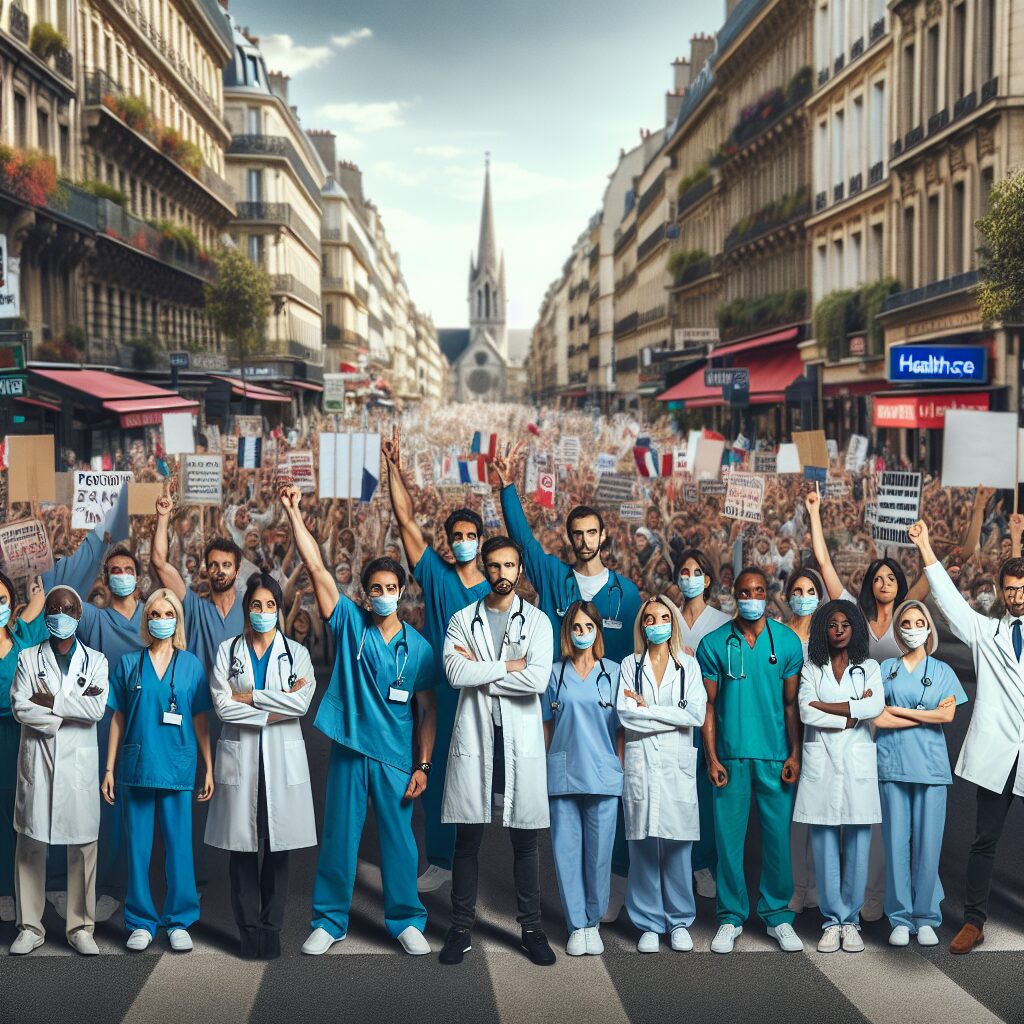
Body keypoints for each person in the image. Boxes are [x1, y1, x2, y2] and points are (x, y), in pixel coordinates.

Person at [281, 486, 436, 957]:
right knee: (339, 839)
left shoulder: (419, 648)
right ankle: (329, 920)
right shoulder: (350, 623)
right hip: (351, 747)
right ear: (365, 596)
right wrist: (293, 512)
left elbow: (428, 711)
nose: (385, 596)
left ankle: (406, 920)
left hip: (395, 757)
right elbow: (317, 568)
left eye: (392, 589)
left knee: (400, 844)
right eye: (377, 590)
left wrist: (423, 765)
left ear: (402, 593)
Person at [494, 442, 641, 917]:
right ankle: (581, 909)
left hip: (610, 713)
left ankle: (612, 887)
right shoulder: (554, 577)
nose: (584, 540)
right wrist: (507, 487)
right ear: (570, 538)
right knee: (567, 818)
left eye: (591, 532)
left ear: (603, 536)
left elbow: (637, 654)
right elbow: (522, 542)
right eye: (576, 533)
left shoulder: (627, 592)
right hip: (563, 708)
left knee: (611, 810)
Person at [382, 426, 491, 893]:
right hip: (438, 692)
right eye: (457, 535)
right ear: (448, 541)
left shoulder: (494, 590)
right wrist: (393, 467)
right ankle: (440, 860)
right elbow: (405, 520)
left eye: (471, 535)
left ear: (481, 540)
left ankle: (466, 862)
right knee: (433, 771)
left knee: (474, 779)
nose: (463, 541)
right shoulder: (436, 574)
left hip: (479, 694)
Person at [439, 535, 556, 967]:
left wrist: (481, 672)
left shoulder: (538, 622)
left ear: (519, 570)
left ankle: (532, 929)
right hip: (476, 738)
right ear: (484, 569)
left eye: (509, 566)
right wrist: (509, 667)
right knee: (467, 838)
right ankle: (460, 928)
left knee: (525, 840)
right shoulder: (462, 619)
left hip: (518, 743)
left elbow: (537, 680)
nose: (502, 573)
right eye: (494, 566)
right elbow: (454, 673)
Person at [908, 519, 1023, 955]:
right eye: (1010, 589)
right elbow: (950, 601)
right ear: (1001, 592)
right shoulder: (984, 632)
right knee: (984, 841)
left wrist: (1016, 539)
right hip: (997, 753)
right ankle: (975, 921)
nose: (1017, 596)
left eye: (1023, 588)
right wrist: (925, 546)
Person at [205, 573, 317, 959]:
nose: (263, 611)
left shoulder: (296, 653)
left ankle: (270, 929)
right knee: (242, 850)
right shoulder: (228, 651)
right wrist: (275, 703)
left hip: (280, 764)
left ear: (279, 609)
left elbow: (301, 704)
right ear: (246, 608)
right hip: (243, 762)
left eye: (271, 605)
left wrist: (250, 696)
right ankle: (248, 930)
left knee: (278, 849)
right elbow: (223, 707)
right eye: (257, 604)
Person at [696, 566, 805, 954]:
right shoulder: (713, 644)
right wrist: (712, 758)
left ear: (767, 593)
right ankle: (730, 917)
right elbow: (708, 706)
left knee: (778, 843)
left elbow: (791, 705)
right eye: (745, 592)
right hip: (730, 756)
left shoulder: (787, 642)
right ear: (734, 594)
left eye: (759, 591)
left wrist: (794, 753)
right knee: (728, 843)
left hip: (775, 756)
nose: (752, 598)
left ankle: (778, 916)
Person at [103, 588, 213, 952]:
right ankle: (140, 921)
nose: (161, 620)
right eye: (154, 614)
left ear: (177, 620)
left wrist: (209, 767)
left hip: (178, 765)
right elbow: (118, 716)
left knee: (180, 847)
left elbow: (200, 719)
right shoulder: (129, 664)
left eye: (168, 614)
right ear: (146, 620)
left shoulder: (191, 665)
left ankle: (179, 920)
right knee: (137, 849)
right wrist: (109, 768)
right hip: (137, 765)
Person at [9, 585, 108, 956]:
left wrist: (49, 701)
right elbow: (20, 706)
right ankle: (30, 927)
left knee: (83, 846)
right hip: (38, 761)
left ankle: (81, 927)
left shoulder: (96, 661)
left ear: (78, 615)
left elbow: (96, 709)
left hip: (78, 767)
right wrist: (68, 710)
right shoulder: (27, 658)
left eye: (67, 609)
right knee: (30, 844)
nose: (59, 615)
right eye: (53, 608)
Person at [793, 600, 885, 953]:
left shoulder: (869, 667)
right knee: (824, 843)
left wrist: (826, 706)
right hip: (823, 764)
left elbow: (874, 707)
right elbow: (806, 713)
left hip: (857, 763)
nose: (839, 630)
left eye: (846, 624)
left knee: (859, 843)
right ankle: (832, 921)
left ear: (855, 629)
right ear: (823, 630)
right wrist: (850, 713)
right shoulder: (811, 668)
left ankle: (851, 920)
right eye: (832, 624)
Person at [617, 596, 706, 954]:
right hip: (641, 765)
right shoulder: (630, 664)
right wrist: (669, 715)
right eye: (650, 619)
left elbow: (695, 715)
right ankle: (649, 923)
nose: (657, 624)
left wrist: (649, 709)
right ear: (642, 625)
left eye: (664, 618)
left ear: (674, 623)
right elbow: (626, 715)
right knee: (642, 847)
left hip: (675, 767)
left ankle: (679, 920)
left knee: (677, 847)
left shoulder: (689, 665)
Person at [875, 599, 966, 947]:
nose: (913, 630)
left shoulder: (943, 671)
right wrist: (925, 713)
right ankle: (900, 917)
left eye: (919, 623)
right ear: (898, 631)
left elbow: (947, 717)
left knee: (928, 846)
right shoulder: (886, 669)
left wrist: (899, 710)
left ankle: (926, 917)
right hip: (892, 764)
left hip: (931, 768)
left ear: (929, 629)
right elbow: (878, 718)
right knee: (895, 844)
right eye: (906, 624)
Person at [542, 601, 622, 956]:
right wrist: (546, 767)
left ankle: (593, 921)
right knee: (567, 853)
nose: (582, 633)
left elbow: (622, 729)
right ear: (568, 632)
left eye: (589, 627)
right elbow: (546, 726)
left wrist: (618, 766)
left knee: (600, 855)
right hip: (563, 773)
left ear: (598, 631)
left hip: (603, 774)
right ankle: (576, 925)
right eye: (576, 627)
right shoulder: (554, 674)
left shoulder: (614, 672)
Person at [674, 548, 730, 901]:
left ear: (708, 579)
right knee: (677, 794)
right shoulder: (668, 619)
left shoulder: (722, 621)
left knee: (707, 796)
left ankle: (704, 864)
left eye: (697, 572)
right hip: (674, 718)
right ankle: (680, 864)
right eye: (684, 571)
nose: (690, 578)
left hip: (710, 718)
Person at [0, 572, 45, 923]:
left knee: (25, 819)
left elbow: (37, 608)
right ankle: (3, 892)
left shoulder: (23, 637)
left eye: (1, 600)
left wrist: (36, 587)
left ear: (11, 604)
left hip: (22, 737)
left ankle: (24, 898)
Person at [784, 567, 826, 914]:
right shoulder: (778, 634)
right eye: (797, 591)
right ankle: (796, 886)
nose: (803, 597)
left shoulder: (828, 636)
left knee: (819, 809)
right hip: (786, 727)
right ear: (788, 596)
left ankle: (817, 885)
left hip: (820, 729)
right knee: (793, 814)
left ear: (820, 597)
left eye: (810, 591)